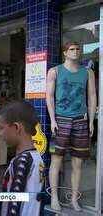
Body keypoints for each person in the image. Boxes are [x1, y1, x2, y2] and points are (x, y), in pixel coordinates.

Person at [46, 41, 97, 211]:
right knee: (56, 160)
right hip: (60, 120)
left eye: (78, 49)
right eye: (72, 49)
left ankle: (74, 199)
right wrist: (52, 120)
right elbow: (49, 97)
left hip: (81, 121)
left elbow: (92, 96)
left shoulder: (87, 73)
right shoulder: (54, 71)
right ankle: (54, 197)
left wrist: (91, 121)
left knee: (78, 163)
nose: (76, 52)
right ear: (65, 53)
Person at [0, 101, 44, 216]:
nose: (0, 133)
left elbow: (14, 204)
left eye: (2, 128)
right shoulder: (37, 158)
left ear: (17, 127)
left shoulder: (21, 162)